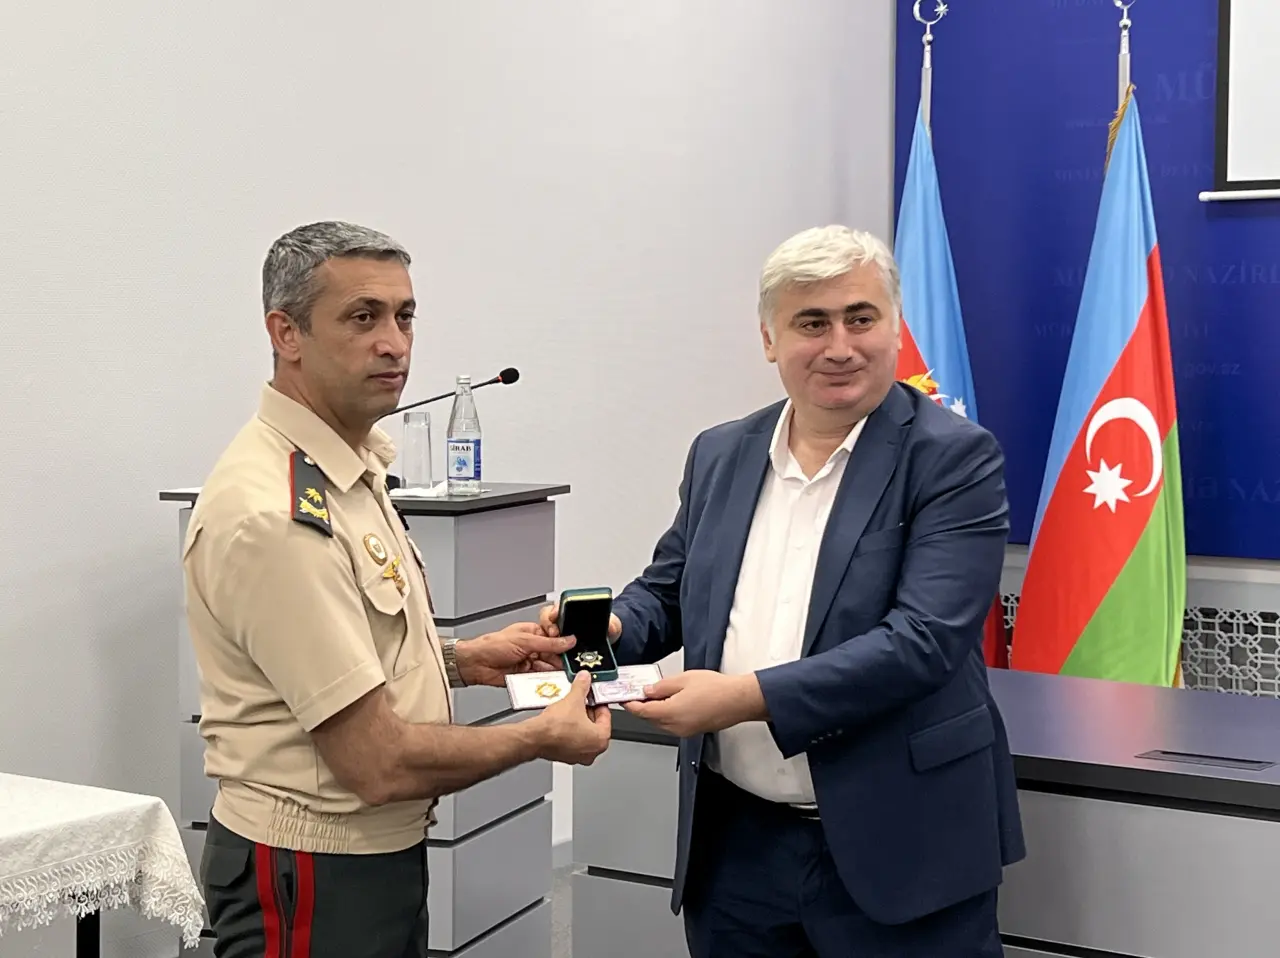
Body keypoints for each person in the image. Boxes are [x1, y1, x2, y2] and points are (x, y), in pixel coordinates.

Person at [541, 225, 1024, 957]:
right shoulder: (721, 452)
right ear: (770, 339)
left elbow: (922, 643)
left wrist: (742, 698)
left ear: (895, 327)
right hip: (737, 845)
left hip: (901, 839)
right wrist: (610, 628)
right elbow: (669, 590)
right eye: (812, 323)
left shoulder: (954, 458)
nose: (840, 346)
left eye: (860, 318)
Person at [184, 221, 611, 958]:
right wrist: (540, 737)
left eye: (404, 316)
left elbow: (343, 651)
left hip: (370, 856)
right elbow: (376, 763)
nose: (395, 344)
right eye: (363, 317)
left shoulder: (344, 466)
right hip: (312, 869)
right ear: (285, 333)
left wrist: (462, 659)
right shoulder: (275, 513)